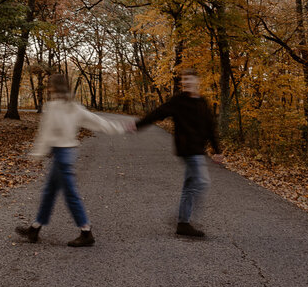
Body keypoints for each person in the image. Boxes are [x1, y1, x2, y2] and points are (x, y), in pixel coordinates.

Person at [15, 73, 128, 247]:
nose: (49, 89)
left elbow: (45, 134)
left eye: (49, 86)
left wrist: (37, 154)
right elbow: (96, 121)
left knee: (70, 194)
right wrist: (119, 127)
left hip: (61, 155)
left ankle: (86, 231)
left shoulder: (52, 107)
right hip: (68, 153)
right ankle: (35, 228)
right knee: (49, 192)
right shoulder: (74, 107)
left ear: (53, 87)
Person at [133, 68, 224, 238]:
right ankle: (179, 217)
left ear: (197, 81)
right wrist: (139, 124)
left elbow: (211, 128)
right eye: (184, 80)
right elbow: (159, 113)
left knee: (190, 187)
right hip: (187, 149)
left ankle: (183, 223)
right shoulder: (179, 101)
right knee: (202, 182)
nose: (186, 83)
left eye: (190, 80)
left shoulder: (202, 102)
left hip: (198, 149)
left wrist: (217, 150)